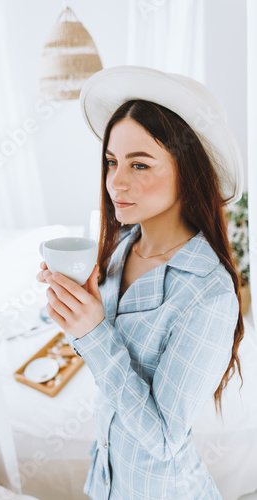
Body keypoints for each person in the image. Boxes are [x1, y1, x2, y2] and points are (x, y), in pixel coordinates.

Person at [36, 66, 245, 499]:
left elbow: (164, 439)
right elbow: (106, 357)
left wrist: (93, 333)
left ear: (188, 172)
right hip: (106, 482)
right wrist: (71, 304)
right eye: (112, 162)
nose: (116, 182)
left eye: (140, 164)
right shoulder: (121, 250)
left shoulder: (208, 293)